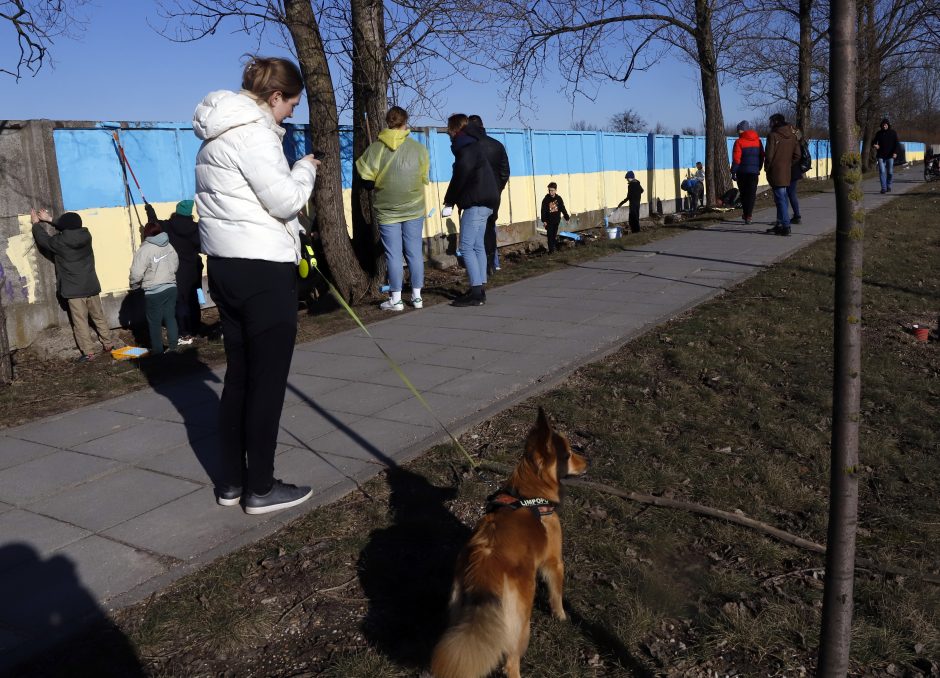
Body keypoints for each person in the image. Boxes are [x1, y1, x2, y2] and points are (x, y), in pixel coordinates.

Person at [193, 55, 319, 514]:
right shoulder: (254, 133)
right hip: (263, 270)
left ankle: (230, 483)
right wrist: (306, 168)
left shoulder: (215, 136)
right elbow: (285, 201)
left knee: (240, 380)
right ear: (274, 97)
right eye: (291, 104)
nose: (290, 114)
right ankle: (261, 489)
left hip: (226, 267)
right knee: (266, 385)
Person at [355, 106, 430, 312]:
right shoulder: (419, 149)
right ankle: (417, 297)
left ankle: (395, 299)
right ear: (406, 122)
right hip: (414, 207)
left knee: (393, 255)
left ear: (388, 122)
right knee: (414, 252)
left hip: (387, 210)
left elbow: (366, 180)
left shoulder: (376, 148)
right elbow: (423, 177)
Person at [30, 208, 116, 362]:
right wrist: (51, 219)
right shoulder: (86, 235)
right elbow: (69, 226)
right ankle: (108, 344)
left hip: (74, 290)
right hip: (91, 286)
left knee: (80, 322)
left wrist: (36, 224)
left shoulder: (60, 242)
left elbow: (44, 240)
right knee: (98, 317)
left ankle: (88, 353)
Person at [443, 113, 500, 307]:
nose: (448, 133)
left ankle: (476, 294)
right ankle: (480, 286)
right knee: (477, 246)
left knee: (466, 247)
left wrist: (449, 201)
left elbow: (460, 176)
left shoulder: (466, 148)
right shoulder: (475, 144)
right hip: (487, 201)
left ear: (455, 129)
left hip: (475, 202)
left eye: (449, 129)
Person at [145, 200, 203, 343]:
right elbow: (202, 246)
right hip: (193, 269)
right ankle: (194, 328)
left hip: (175, 268)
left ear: (177, 211)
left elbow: (154, 223)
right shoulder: (197, 228)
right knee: (193, 299)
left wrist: (149, 210)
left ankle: (184, 332)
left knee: (179, 301)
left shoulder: (168, 226)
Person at [467, 115, 510, 275]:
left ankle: (482, 266)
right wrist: (497, 189)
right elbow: (505, 172)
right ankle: (491, 262)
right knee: (490, 226)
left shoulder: (470, 147)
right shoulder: (497, 145)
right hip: (494, 195)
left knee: (476, 230)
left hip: (475, 195)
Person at [129, 221, 179, 355]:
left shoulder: (144, 250)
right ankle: (173, 347)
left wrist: (134, 285)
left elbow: (136, 273)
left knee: (154, 322)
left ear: (146, 233)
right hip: (171, 287)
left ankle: (158, 351)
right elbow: (175, 264)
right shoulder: (169, 245)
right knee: (170, 317)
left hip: (154, 291)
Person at [764, 113, 801, 236]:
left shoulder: (773, 136)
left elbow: (769, 156)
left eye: (771, 122)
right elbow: (797, 155)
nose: (769, 125)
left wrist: (767, 168)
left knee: (781, 199)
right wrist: (788, 164)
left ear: (775, 122)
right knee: (782, 198)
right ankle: (780, 224)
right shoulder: (792, 136)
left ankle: (786, 226)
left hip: (776, 171)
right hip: (787, 171)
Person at [730, 120, 764, 225]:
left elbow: (736, 159)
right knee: (751, 194)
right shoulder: (758, 141)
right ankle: (748, 215)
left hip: (742, 172)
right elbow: (761, 156)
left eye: (738, 131)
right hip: (754, 172)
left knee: (744, 194)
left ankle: (746, 214)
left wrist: (733, 172)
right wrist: (758, 168)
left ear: (741, 131)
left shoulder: (739, 142)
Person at [540, 182, 570, 253]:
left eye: (552, 190)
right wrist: (544, 220)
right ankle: (551, 251)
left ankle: (552, 249)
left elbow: (562, 208)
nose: (551, 192)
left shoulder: (559, 199)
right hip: (549, 221)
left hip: (556, 221)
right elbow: (543, 210)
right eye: (549, 190)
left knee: (553, 235)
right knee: (550, 235)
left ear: (556, 190)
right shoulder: (546, 200)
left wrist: (567, 217)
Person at [872, 117, 899, 193]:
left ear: (888, 125)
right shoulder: (879, 133)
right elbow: (873, 142)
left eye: (886, 125)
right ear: (881, 125)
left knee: (890, 172)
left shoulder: (893, 133)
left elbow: (896, 144)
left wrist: (895, 153)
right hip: (880, 155)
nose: (884, 126)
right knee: (882, 171)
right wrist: (875, 145)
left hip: (890, 156)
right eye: (883, 125)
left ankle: (889, 186)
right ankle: (883, 188)